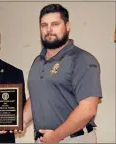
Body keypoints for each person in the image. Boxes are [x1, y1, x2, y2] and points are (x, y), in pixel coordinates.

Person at [23, 4, 102, 143]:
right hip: (43, 140)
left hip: (73, 139)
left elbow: (88, 109)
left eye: (55, 24)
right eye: (44, 25)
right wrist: (21, 121)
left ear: (68, 26)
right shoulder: (38, 61)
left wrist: (57, 136)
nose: (49, 30)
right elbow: (36, 97)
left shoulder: (82, 59)